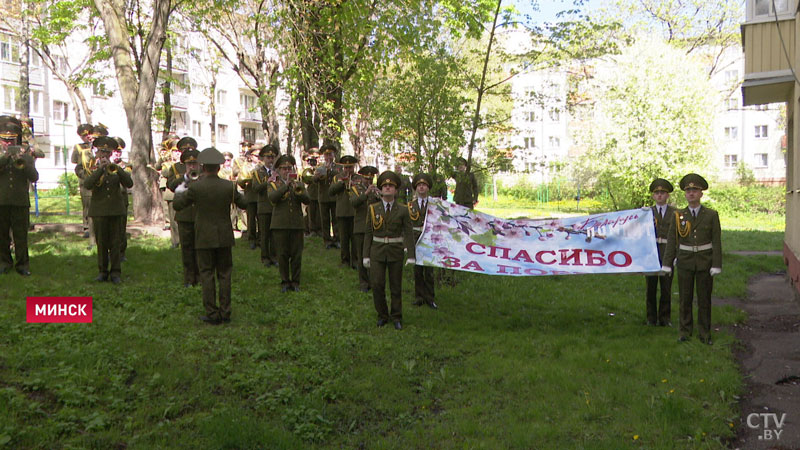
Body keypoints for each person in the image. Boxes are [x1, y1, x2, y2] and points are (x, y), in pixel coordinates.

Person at [173, 147, 247, 324]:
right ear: (219, 168)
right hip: (224, 235)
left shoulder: (196, 187)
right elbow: (243, 203)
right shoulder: (228, 186)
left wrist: (183, 186)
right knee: (225, 274)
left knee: (206, 274)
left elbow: (178, 205)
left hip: (204, 236)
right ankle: (226, 312)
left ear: (203, 167)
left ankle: (212, 313)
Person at [661, 173, 722, 344]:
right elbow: (672, 240)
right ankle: (685, 332)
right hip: (685, 261)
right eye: (688, 191)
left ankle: (704, 334)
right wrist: (667, 263)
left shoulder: (711, 215)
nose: (691, 193)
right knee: (684, 299)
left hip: (704, 261)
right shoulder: (678, 215)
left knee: (704, 300)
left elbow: (716, 241)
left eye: (695, 190)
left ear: (701, 193)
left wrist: (716, 264)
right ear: (685, 194)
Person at [363, 170, 416, 330]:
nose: (387, 188)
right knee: (377, 284)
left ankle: (397, 316)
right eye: (384, 186)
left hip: (395, 251)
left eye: (390, 186)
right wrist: (365, 255)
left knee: (395, 286)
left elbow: (408, 232)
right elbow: (368, 233)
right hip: (377, 252)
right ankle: (382, 315)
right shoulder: (373, 209)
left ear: (396, 190)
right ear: (380, 188)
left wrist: (411, 255)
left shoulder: (403, 209)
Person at [84, 136, 133, 284]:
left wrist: (116, 169)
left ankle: (116, 273)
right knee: (102, 244)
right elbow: (88, 184)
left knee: (115, 243)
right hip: (99, 211)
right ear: (97, 152)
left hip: (116, 210)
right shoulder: (91, 167)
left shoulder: (117, 168)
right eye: (101, 152)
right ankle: (102, 272)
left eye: (107, 153)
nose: (104, 155)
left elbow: (128, 183)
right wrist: (100, 169)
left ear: (111, 154)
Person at [0, 117, 39, 276]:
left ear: (16, 139)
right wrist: (5, 158)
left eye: (11, 140)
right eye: (4, 140)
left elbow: (34, 177)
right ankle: (4, 262)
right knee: (2, 236)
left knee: (21, 236)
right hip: (1, 201)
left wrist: (23, 160)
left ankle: (23, 265)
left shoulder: (26, 156)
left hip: (20, 202)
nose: (8, 143)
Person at [268, 154, 310, 292]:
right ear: (278, 170)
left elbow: (307, 200)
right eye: (284, 168)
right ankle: (285, 281)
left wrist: (298, 190)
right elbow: (272, 198)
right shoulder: (273, 183)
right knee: (282, 255)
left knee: (297, 255)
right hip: (280, 225)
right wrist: (285, 186)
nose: (287, 171)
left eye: (289, 168)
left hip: (296, 224)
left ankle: (296, 282)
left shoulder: (299, 183)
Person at [167, 147, 201, 287]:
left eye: (195, 164)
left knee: (200, 248)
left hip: (200, 216)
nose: (192, 166)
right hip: (184, 216)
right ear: (185, 165)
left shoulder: (203, 176)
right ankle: (189, 279)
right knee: (186, 249)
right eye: (189, 164)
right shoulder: (181, 177)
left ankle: (200, 277)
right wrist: (186, 177)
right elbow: (172, 186)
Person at [645, 178, 676, 326]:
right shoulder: (646, 213)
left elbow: (679, 235)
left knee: (666, 287)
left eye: (662, 193)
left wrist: (676, 255)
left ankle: (665, 318)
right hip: (651, 253)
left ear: (667, 195)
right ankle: (651, 318)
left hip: (667, 252)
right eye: (656, 193)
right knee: (650, 287)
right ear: (653, 196)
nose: (659, 195)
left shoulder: (676, 213)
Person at [350, 165, 380, 292]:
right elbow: (354, 203)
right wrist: (366, 194)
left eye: (371, 179)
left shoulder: (376, 190)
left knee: (373, 255)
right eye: (367, 179)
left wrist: (379, 196)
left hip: (374, 227)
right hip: (360, 227)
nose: (369, 181)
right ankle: (363, 283)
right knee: (362, 254)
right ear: (362, 178)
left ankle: (373, 281)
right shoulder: (356, 189)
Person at [409, 173, 437, 309]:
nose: (421, 187)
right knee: (418, 269)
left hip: (430, 240)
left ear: (428, 188)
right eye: (419, 185)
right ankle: (419, 296)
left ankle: (430, 298)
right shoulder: (410, 206)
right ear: (415, 188)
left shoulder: (434, 205)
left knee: (429, 270)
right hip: (416, 240)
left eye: (424, 185)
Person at [329, 155, 358, 268]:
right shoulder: (337, 178)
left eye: (350, 167)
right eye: (346, 167)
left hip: (355, 212)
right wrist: (341, 183)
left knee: (355, 239)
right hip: (342, 212)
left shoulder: (358, 178)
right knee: (344, 238)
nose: (348, 170)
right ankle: (345, 260)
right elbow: (331, 191)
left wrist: (354, 184)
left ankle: (355, 261)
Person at [252, 144, 278, 266]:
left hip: (275, 206)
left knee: (274, 234)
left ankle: (274, 256)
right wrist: (267, 182)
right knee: (264, 234)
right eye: (268, 157)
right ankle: (265, 257)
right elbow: (256, 188)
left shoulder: (277, 171)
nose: (270, 160)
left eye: (272, 157)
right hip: (263, 207)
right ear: (263, 159)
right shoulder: (258, 172)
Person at [71, 123, 95, 239]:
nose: (88, 137)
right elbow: (74, 161)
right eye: (84, 135)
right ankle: (87, 227)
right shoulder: (79, 147)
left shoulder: (96, 145)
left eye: (89, 134)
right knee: (87, 204)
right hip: (85, 179)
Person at [111, 137, 132, 262]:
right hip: (108, 200)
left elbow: (127, 179)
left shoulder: (126, 166)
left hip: (121, 199)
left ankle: (121, 252)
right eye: (115, 151)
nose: (117, 154)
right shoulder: (103, 164)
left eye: (119, 151)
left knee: (121, 228)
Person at [315, 144, 339, 249]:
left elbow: (340, 177)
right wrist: (317, 177)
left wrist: (330, 170)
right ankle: (327, 241)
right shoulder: (319, 167)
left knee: (336, 219)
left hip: (334, 197)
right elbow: (314, 181)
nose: (328, 157)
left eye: (330, 154)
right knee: (324, 220)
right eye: (326, 155)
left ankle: (337, 239)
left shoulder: (338, 167)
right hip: (323, 197)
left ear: (334, 155)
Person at [237, 147, 261, 250]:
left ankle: (260, 239)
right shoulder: (245, 167)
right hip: (250, 196)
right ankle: (252, 239)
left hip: (260, 196)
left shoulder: (262, 167)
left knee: (261, 219)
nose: (258, 158)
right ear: (251, 156)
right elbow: (241, 181)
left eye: (260, 156)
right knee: (251, 219)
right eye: (256, 156)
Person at [301, 149, 322, 237]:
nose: (315, 160)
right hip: (311, 194)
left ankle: (320, 230)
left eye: (316, 157)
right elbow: (306, 178)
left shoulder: (322, 167)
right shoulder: (307, 168)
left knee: (320, 214)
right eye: (313, 158)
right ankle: (311, 230)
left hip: (321, 194)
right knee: (310, 213)